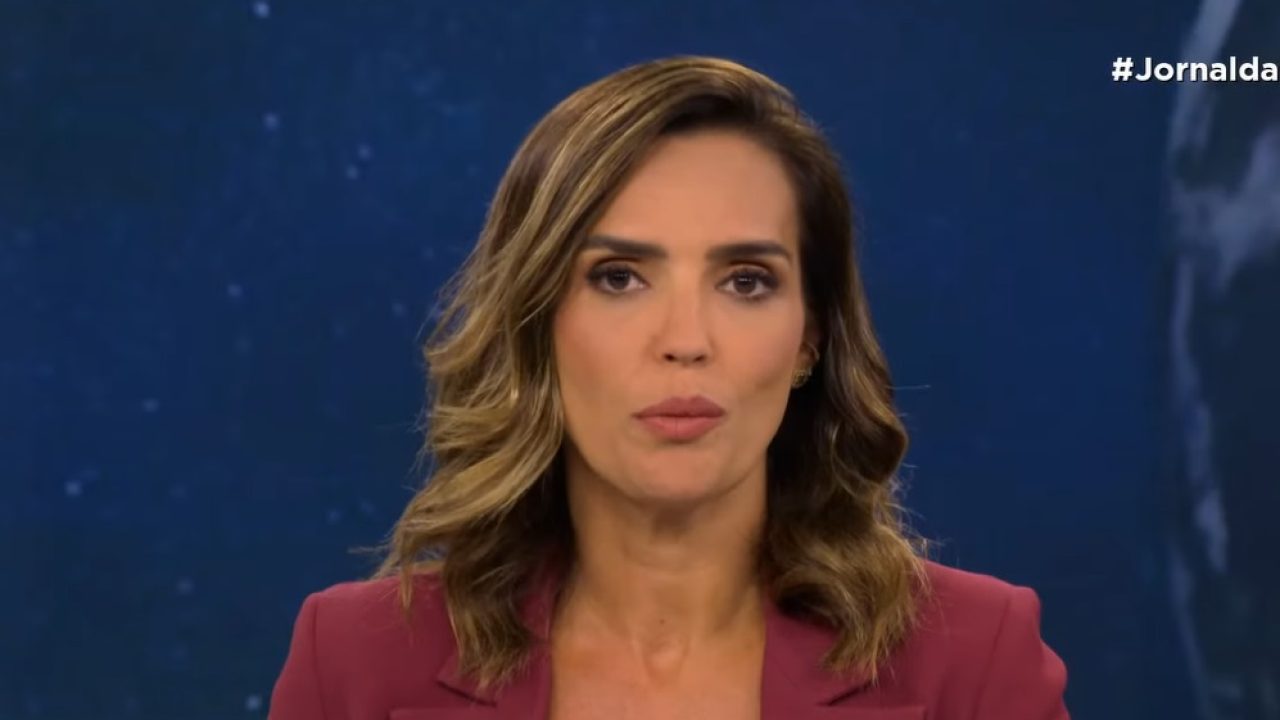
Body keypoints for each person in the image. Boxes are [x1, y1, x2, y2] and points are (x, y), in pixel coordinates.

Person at [269, 55, 1069, 719]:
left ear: (811, 338)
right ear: (536, 324)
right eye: (619, 277)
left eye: (746, 281)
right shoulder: (351, 663)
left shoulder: (977, 660)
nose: (686, 341)